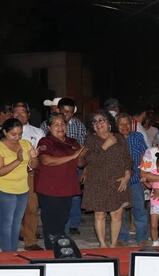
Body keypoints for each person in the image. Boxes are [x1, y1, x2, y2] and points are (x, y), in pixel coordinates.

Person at [80, 111, 132, 248]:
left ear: (109, 123)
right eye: (95, 121)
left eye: (101, 120)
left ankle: (114, 244)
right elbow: (89, 160)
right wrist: (105, 145)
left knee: (116, 214)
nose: (98, 123)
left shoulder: (119, 137)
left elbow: (127, 159)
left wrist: (127, 176)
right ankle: (103, 244)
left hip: (117, 181)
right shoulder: (90, 140)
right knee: (100, 214)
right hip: (97, 182)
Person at [0, 118, 39, 252]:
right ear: (4, 132)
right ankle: (7, 254)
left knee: (16, 223)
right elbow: (0, 171)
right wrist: (18, 160)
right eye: (13, 134)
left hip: (22, 188)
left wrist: (34, 157)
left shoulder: (25, 143)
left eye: (20, 134)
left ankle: (13, 251)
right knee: (6, 222)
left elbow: (34, 166)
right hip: (1, 189)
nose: (17, 137)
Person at [35, 114, 85, 248]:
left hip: (67, 187)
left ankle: (60, 249)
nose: (60, 127)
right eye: (56, 124)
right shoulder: (45, 141)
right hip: (50, 188)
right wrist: (72, 156)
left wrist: (81, 157)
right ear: (49, 127)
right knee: (51, 222)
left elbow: (80, 163)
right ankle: (51, 251)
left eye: (63, 124)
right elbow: (46, 161)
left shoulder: (72, 141)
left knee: (62, 221)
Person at [13, 102, 46, 251]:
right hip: (10, 174)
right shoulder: (4, 130)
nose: (19, 115)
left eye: (22, 112)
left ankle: (30, 241)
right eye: (16, 112)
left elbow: (42, 155)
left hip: (30, 173)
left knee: (31, 208)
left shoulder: (38, 132)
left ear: (28, 114)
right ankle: (14, 237)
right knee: (12, 208)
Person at [116, 112, 149, 246]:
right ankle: (122, 237)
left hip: (135, 180)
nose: (125, 126)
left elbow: (143, 155)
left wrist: (144, 175)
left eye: (127, 123)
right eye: (121, 124)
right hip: (119, 181)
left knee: (139, 209)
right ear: (116, 125)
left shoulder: (138, 136)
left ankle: (142, 238)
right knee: (120, 211)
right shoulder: (113, 138)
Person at [55, 98, 87, 235]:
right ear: (59, 110)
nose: (67, 114)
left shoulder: (79, 125)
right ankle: (60, 223)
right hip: (55, 166)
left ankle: (74, 224)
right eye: (64, 111)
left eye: (70, 112)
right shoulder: (48, 124)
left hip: (74, 166)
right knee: (59, 196)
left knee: (74, 196)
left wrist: (85, 167)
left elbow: (85, 147)